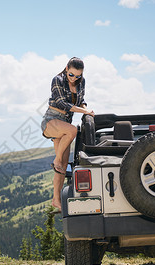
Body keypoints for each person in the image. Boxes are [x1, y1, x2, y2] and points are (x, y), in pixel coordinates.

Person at [41, 57, 95, 211]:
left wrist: (86, 110)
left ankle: (56, 200)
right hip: (52, 120)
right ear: (66, 69)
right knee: (72, 131)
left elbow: (81, 101)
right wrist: (84, 110)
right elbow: (61, 103)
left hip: (64, 123)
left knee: (63, 166)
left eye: (78, 76)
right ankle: (56, 160)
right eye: (71, 75)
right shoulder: (57, 80)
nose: (74, 79)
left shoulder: (81, 82)